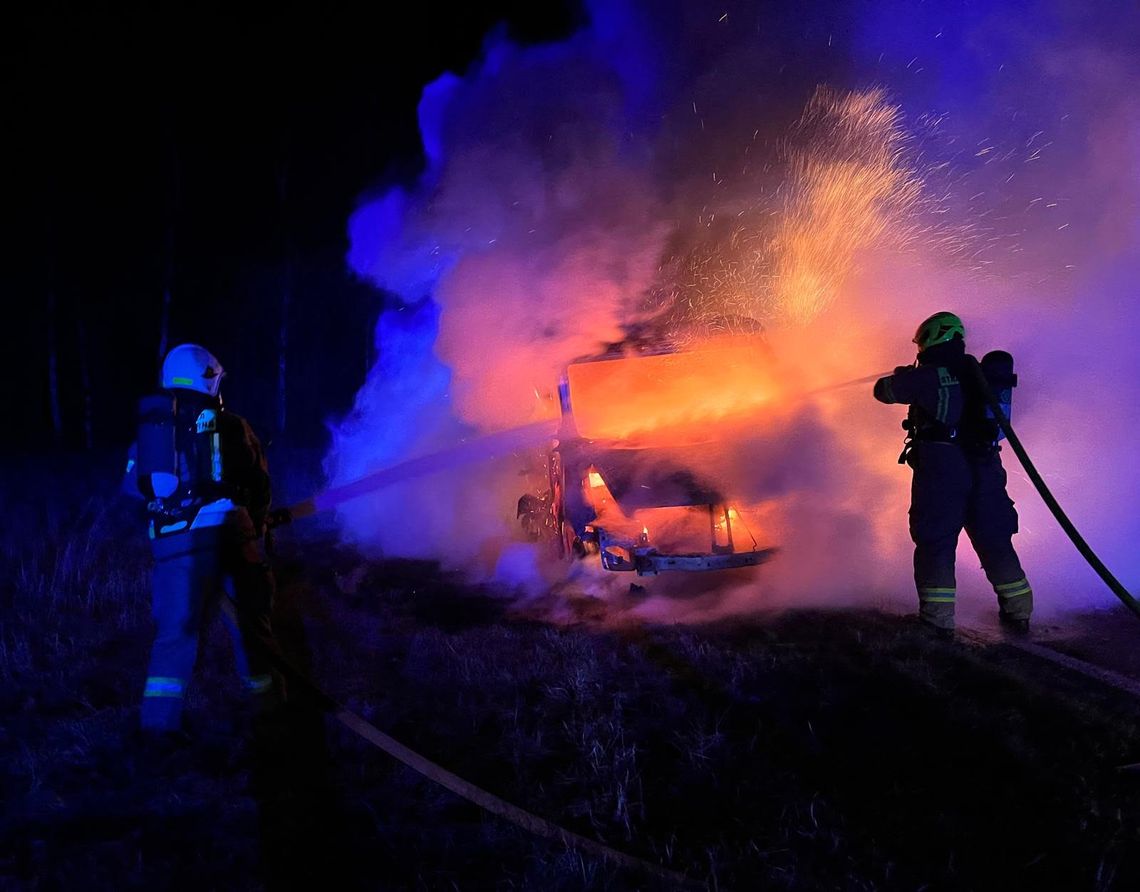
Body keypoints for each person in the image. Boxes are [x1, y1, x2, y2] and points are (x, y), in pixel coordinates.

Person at [124, 343, 287, 737]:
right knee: (251, 626)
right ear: (210, 378)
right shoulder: (232, 426)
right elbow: (258, 484)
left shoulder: (153, 428)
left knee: (174, 636)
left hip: (175, 548)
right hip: (232, 535)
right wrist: (259, 523)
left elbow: (134, 491)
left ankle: (157, 731)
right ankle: (273, 714)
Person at [874, 312, 1033, 638]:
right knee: (995, 540)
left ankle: (937, 623)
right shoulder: (979, 374)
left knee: (935, 541)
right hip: (986, 466)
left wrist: (904, 375)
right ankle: (1019, 616)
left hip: (943, 468)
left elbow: (883, 391)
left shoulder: (930, 375)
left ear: (930, 339)